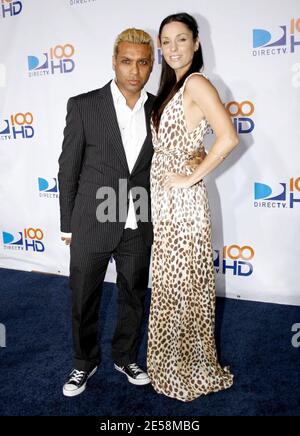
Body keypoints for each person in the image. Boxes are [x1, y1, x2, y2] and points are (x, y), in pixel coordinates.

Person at [58, 28, 155, 397]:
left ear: (151, 65)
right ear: (114, 62)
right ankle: (84, 362)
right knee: (83, 296)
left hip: (138, 220)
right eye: (127, 61)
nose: (134, 70)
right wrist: (68, 223)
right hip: (91, 220)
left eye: (143, 62)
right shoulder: (84, 105)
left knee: (133, 294)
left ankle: (125, 355)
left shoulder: (158, 108)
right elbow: (68, 168)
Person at [147, 12, 239, 402]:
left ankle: (185, 367)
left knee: (182, 282)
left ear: (196, 43)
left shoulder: (197, 82)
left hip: (182, 202)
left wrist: (190, 176)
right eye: (165, 42)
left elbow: (228, 137)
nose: (172, 48)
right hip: (165, 201)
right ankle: (175, 360)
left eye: (181, 39)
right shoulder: (174, 87)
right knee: (173, 282)